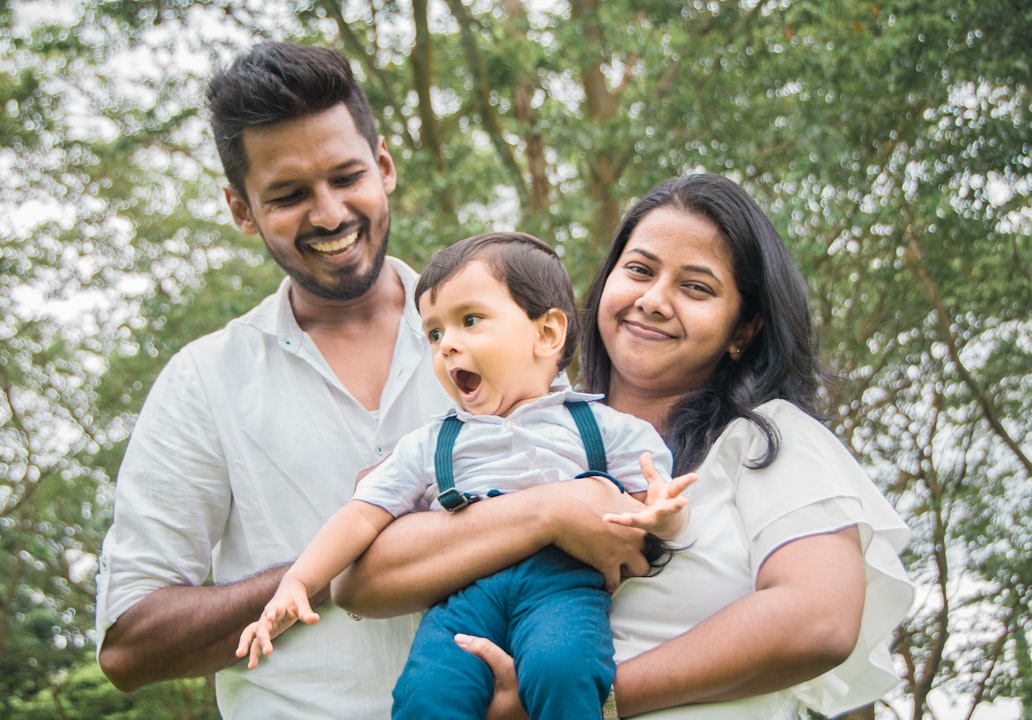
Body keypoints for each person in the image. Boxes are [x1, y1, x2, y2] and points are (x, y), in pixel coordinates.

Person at [332, 174, 914, 719]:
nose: (655, 299)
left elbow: (817, 621)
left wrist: (586, 698)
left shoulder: (766, 440)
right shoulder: (528, 430)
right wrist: (550, 511)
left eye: (696, 287)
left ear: (744, 329)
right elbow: (358, 581)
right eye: (639, 269)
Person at [94, 42, 455, 718]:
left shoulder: (509, 333)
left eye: (346, 177)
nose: (327, 214)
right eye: (288, 195)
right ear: (241, 209)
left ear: (384, 167)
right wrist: (332, 564)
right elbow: (130, 646)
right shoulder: (202, 382)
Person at [236, 231, 695, 720]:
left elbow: (652, 512)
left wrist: (665, 518)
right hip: (462, 595)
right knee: (426, 692)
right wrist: (298, 582)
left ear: (546, 334)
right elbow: (360, 516)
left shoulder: (602, 426)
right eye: (433, 333)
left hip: (561, 590)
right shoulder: (433, 442)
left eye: (469, 321)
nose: (447, 345)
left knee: (563, 669)